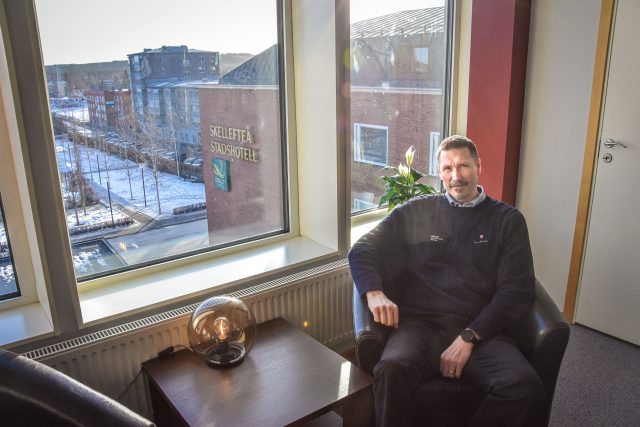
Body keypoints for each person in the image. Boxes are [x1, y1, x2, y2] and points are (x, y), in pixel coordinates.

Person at [348, 135, 545, 426]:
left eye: (463, 166)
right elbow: (362, 248)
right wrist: (374, 292)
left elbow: (516, 290)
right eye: (447, 168)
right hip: (420, 326)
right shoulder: (417, 211)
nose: (455, 176)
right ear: (440, 173)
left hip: (480, 328)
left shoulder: (507, 221)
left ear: (478, 166)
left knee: (524, 387)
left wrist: (470, 336)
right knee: (391, 370)